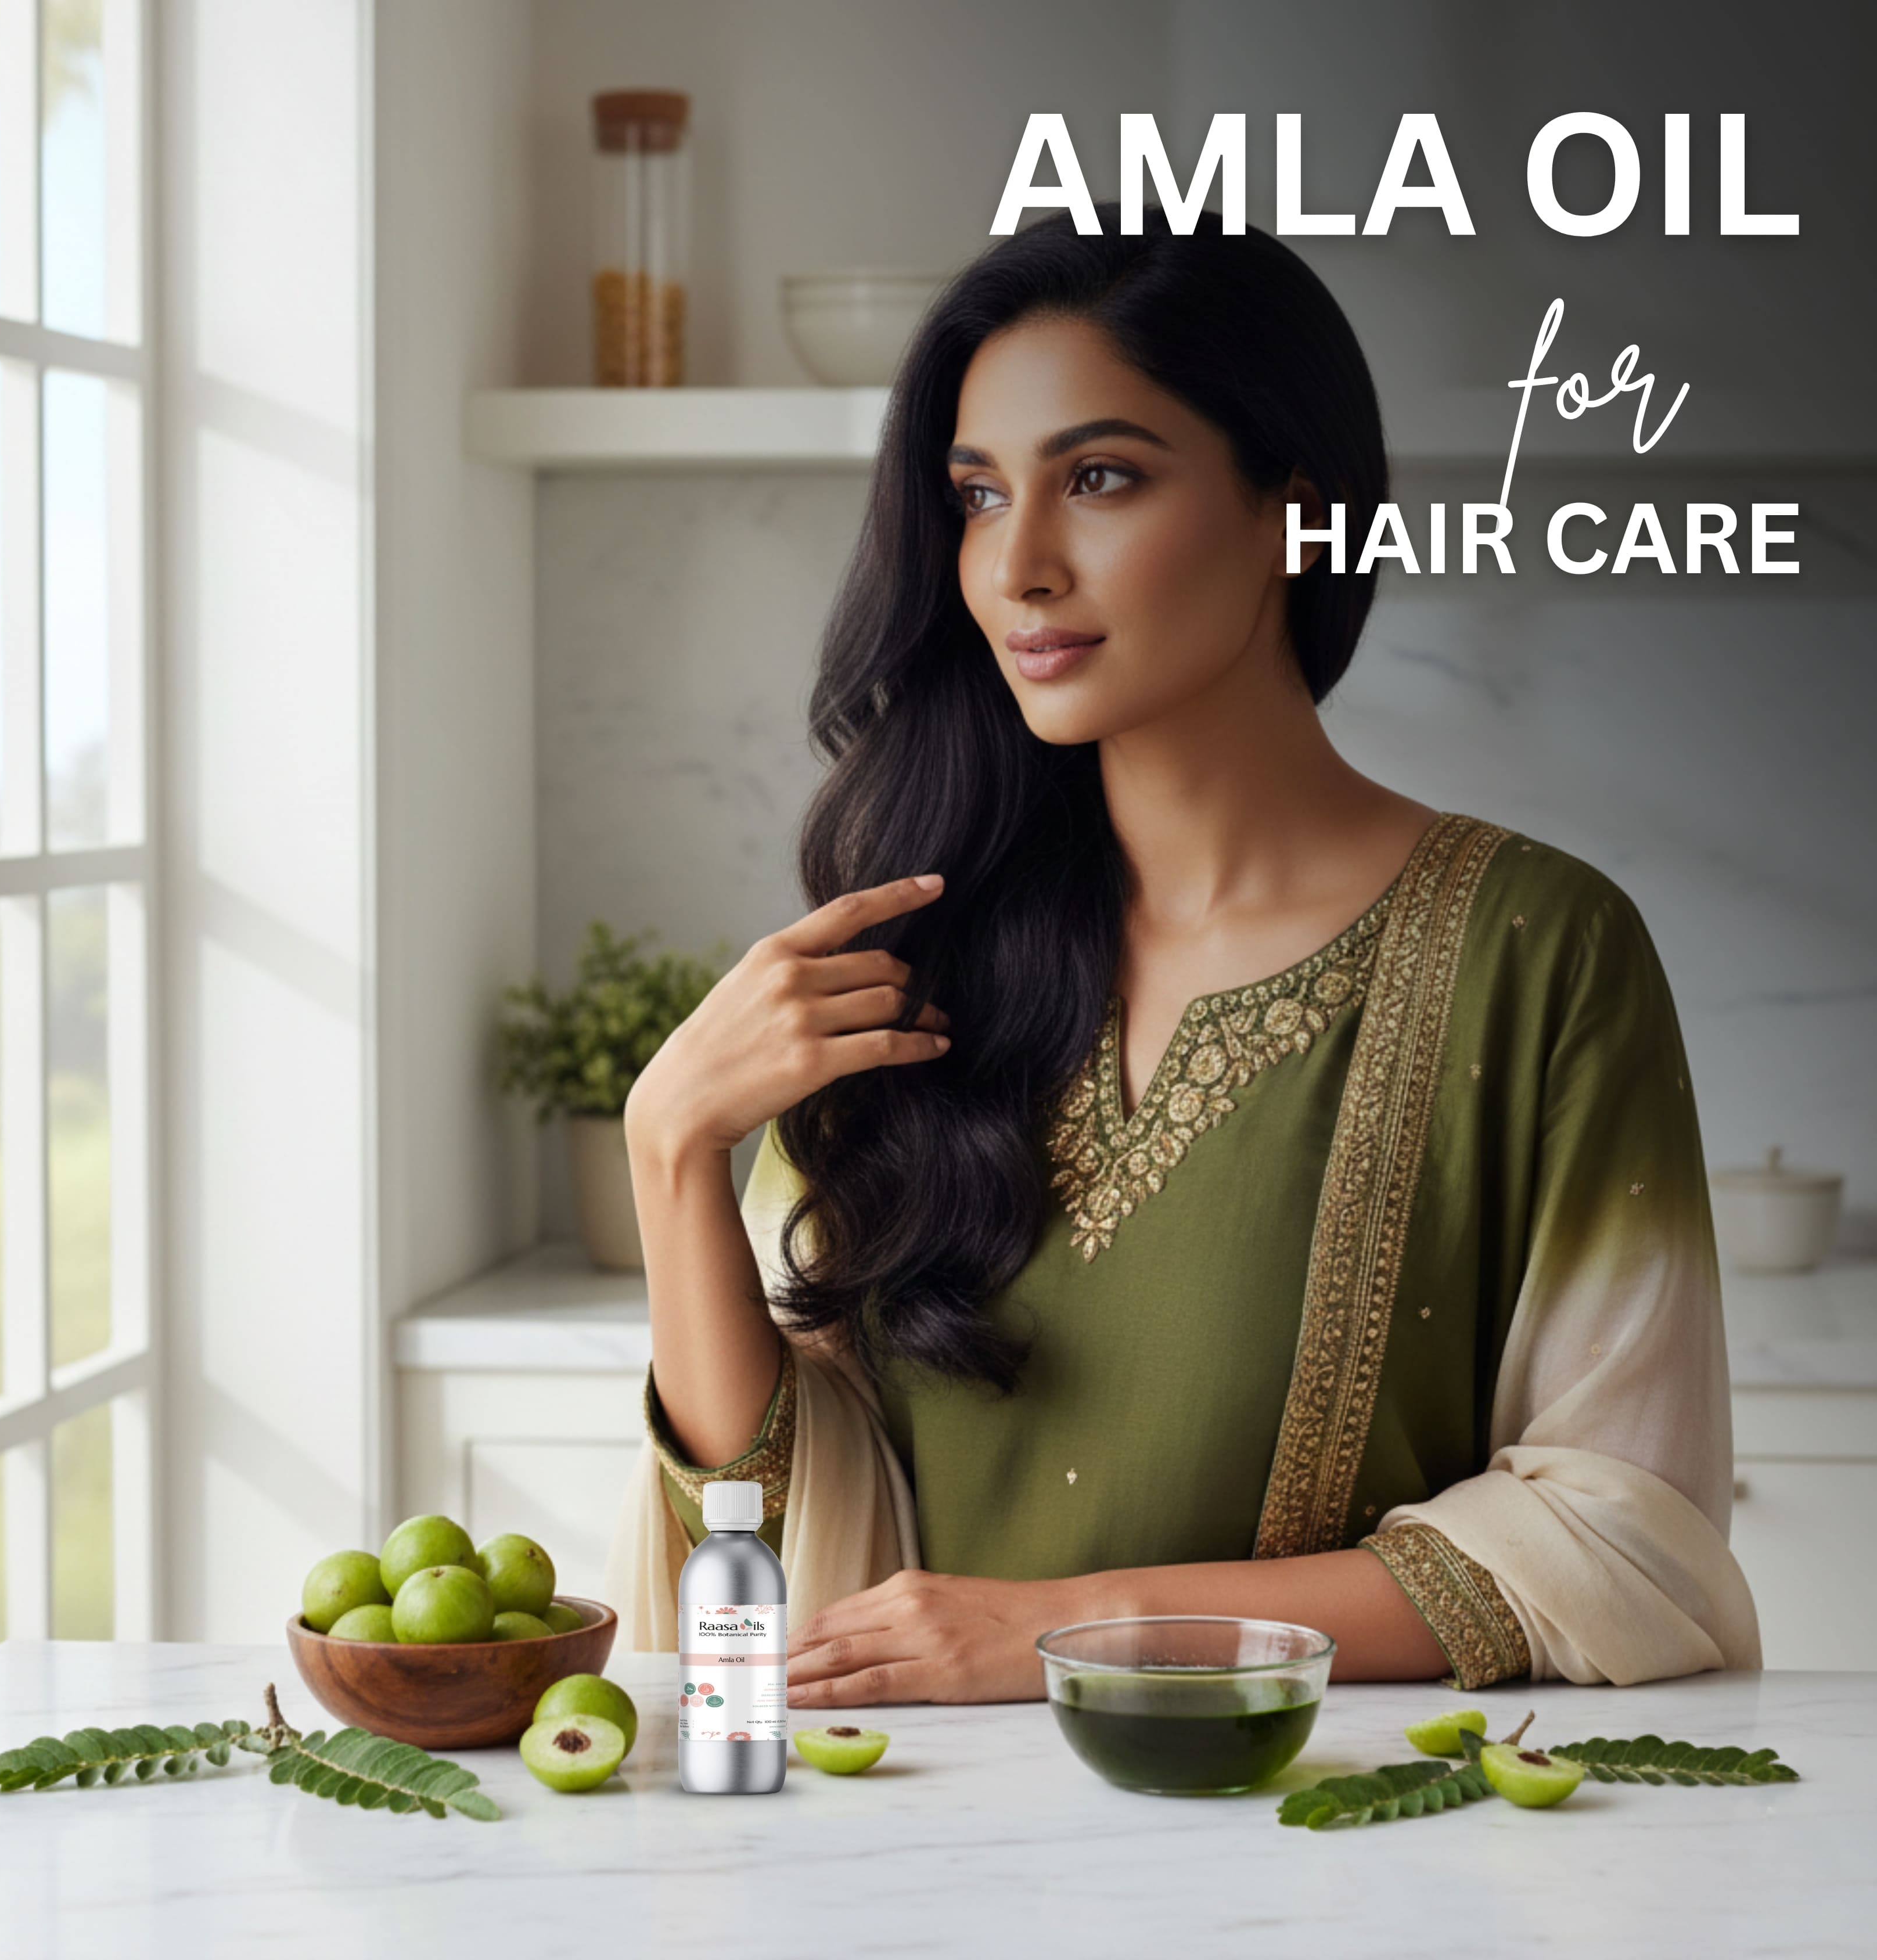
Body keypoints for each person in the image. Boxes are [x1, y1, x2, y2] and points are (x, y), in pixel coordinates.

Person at [606, 207, 1760, 1704]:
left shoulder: (1539, 947)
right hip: (915, 1864)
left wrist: (1077, 1632)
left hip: (1347, 1858)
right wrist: (670, 1151)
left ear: (1298, 504)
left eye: (1098, 479)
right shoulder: (918, 960)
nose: (1018, 564)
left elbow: (1624, 1535)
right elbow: (766, 1543)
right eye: (974, 495)